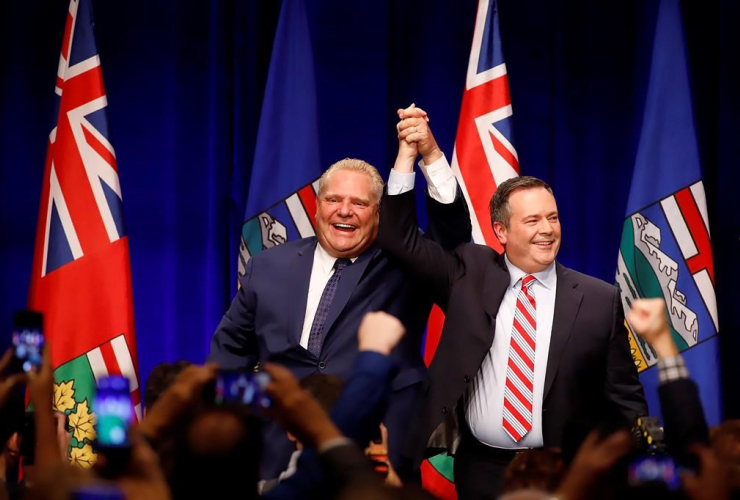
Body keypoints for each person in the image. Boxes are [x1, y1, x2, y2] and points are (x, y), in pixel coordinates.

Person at [379, 111, 647, 499]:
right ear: (501, 231)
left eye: (553, 218)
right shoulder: (469, 275)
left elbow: (624, 395)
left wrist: (634, 468)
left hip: (565, 472)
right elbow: (400, 239)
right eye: (533, 220)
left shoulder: (598, 298)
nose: (547, 230)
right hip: (482, 467)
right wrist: (415, 156)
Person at [207, 126, 472, 477]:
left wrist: (430, 156)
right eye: (333, 200)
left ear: (380, 214)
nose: (344, 211)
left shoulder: (405, 262)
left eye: (360, 203)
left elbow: (452, 239)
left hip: (377, 448)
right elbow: (228, 357)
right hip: (278, 448)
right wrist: (255, 413)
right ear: (317, 206)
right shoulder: (267, 266)